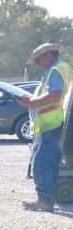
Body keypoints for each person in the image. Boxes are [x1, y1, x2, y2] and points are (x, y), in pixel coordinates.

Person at [18, 43, 72, 211]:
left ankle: (44, 200)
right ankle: (48, 197)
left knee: (40, 162)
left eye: (37, 59)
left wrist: (30, 102)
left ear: (48, 54)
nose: (37, 63)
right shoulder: (64, 67)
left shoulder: (56, 70)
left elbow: (55, 94)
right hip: (58, 123)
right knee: (51, 162)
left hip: (49, 124)